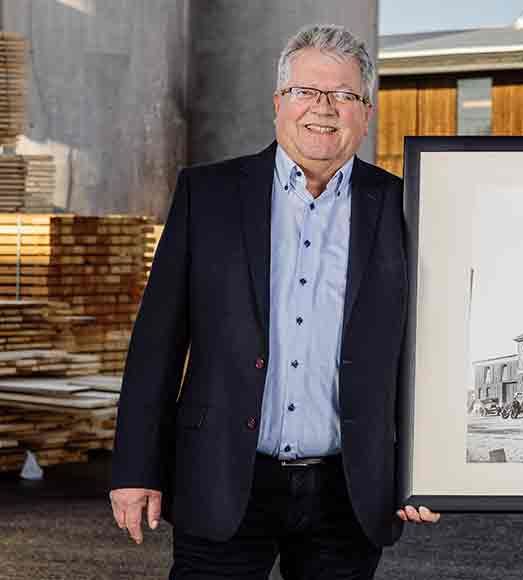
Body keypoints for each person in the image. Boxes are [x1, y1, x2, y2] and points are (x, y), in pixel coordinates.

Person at [107, 24, 439, 579]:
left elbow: (427, 351)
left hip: (349, 491)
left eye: (344, 96)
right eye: (307, 91)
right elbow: (157, 343)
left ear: (367, 111)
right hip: (222, 477)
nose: (324, 109)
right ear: (278, 103)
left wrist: (425, 472)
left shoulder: (404, 208)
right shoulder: (207, 194)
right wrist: (134, 468)